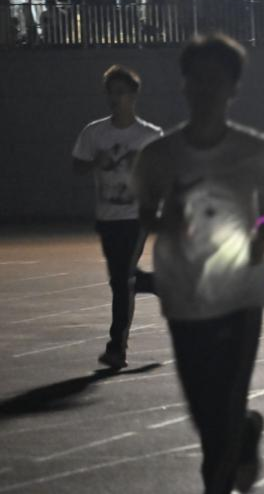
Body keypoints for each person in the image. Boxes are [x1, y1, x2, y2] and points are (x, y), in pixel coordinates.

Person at [132, 34, 264, 494]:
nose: (204, 88)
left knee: (228, 401)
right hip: (184, 293)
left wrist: (263, 232)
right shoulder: (159, 155)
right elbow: (144, 210)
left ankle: (217, 477)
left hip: (241, 291)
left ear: (233, 88)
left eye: (215, 80)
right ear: (184, 84)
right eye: (196, 78)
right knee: (204, 409)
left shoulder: (254, 149)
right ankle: (245, 430)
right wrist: (164, 220)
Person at [72, 65, 162, 370]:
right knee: (123, 278)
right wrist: (95, 162)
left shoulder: (149, 135)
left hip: (137, 216)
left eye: (121, 92)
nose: (115, 98)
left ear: (134, 95)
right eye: (111, 93)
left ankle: (116, 348)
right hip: (107, 216)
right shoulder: (95, 132)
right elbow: (78, 165)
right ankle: (160, 284)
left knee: (122, 281)